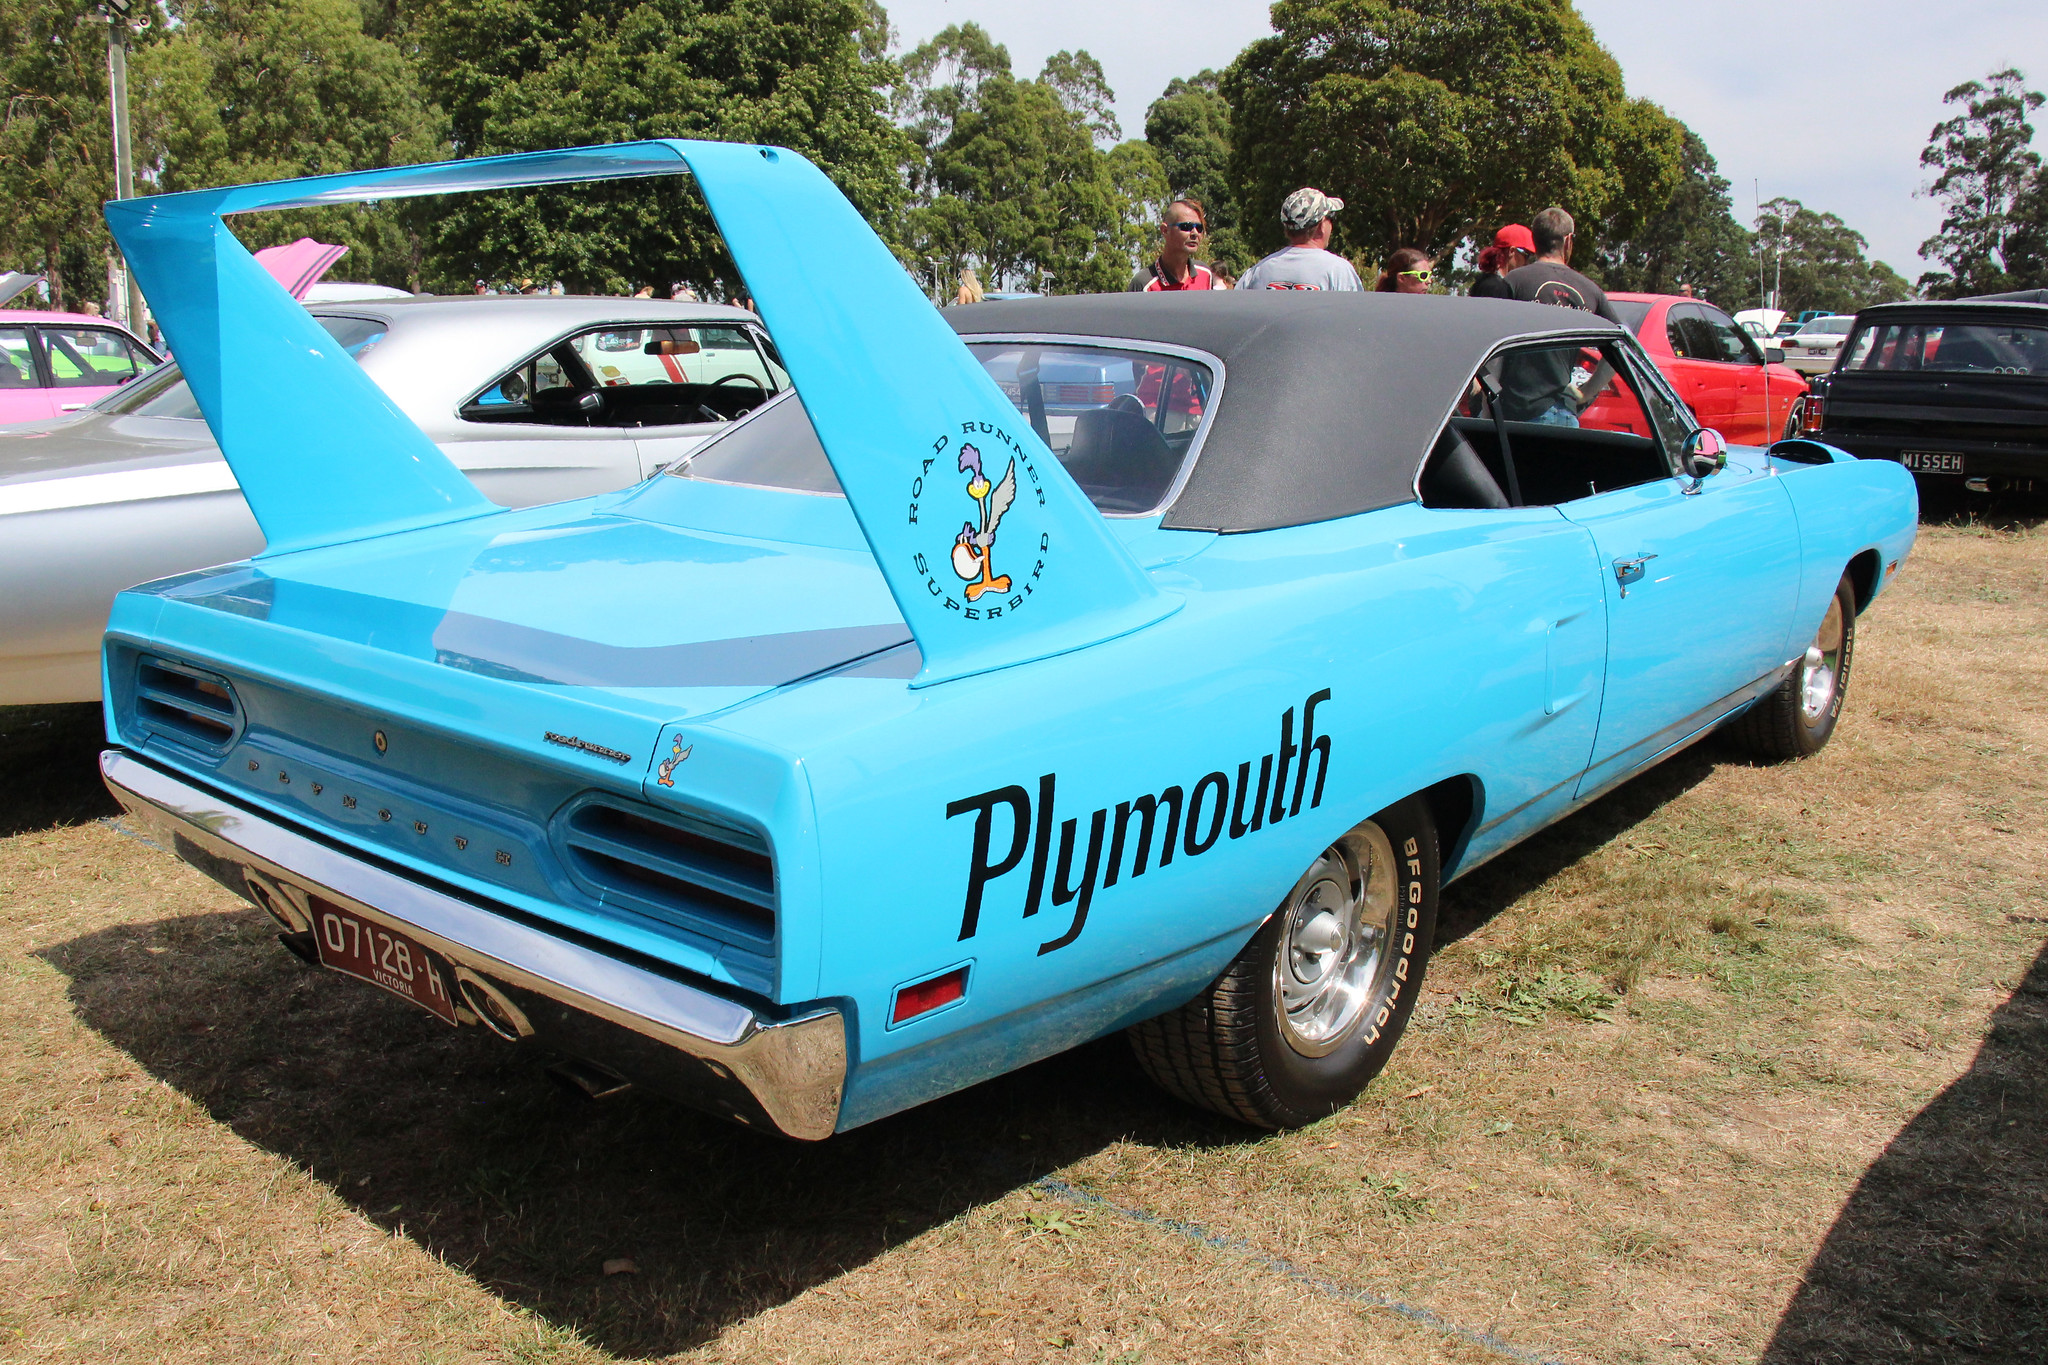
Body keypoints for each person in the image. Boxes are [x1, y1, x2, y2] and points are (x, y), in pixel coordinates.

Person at [1497, 207, 1625, 426]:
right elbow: (1619, 345)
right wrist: (1586, 392)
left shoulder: (1514, 281)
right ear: (1568, 241)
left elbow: (1492, 343)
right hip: (1563, 413)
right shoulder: (1590, 290)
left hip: (1513, 413)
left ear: (1535, 241)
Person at [1235, 188, 1363, 292]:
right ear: (1322, 225)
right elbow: (1356, 318)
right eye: (1331, 217)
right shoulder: (1339, 271)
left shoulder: (1258, 271)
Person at [1130, 199, 1218, 291]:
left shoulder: (1205, 274)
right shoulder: (1143, 284)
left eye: (1199, 228)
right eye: (1186, 227)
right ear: (1165, 230)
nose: (1195, 233)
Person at [1469, 224, 1534, 299]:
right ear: (1511, 251)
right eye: (1527, 255)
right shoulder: (1495, 287)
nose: (1528, 262)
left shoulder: (1484, 281)